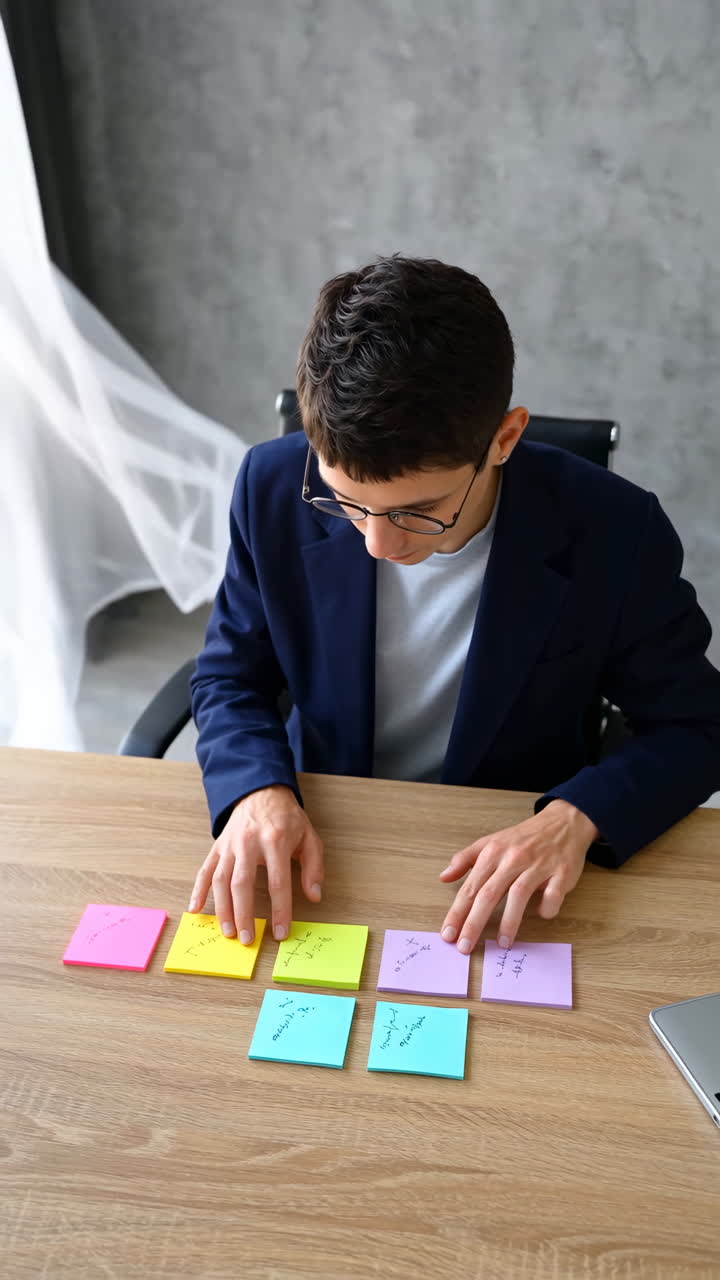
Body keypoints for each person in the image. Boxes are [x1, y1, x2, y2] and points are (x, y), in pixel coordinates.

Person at [188, 256, 720, 955]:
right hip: (331, 829)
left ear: (504, 438)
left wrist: (578, 815)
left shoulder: (615, 531)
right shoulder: (269, 486)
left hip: (503, 851)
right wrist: (257, 790)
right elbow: (229, 675)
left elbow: (697, 726)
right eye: (346, 503)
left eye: (419, 511)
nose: (379, 545)